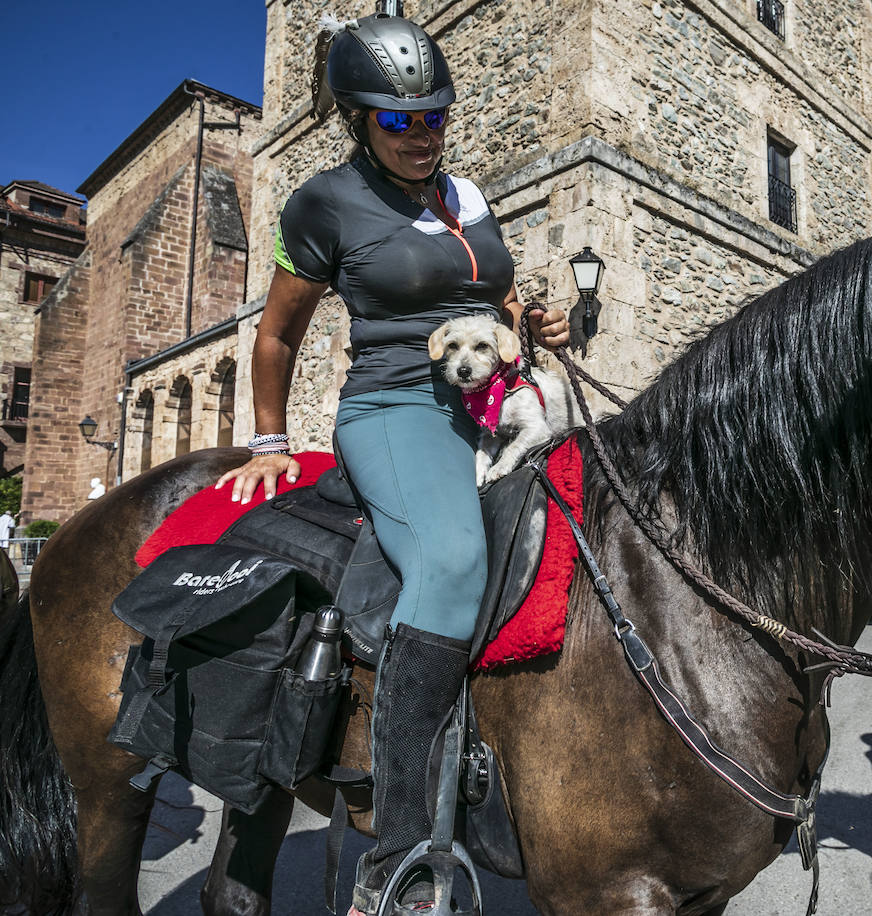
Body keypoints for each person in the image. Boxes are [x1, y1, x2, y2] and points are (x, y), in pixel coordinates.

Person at [215, 13, 569, 914]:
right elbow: (277, 333)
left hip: (497, 392)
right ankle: (399, 856)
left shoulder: (471, 195)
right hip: (398, 405)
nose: (421, 135)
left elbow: (500, 293)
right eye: (398, 120)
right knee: (451, 564)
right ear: (357, 121)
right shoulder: (323, 202)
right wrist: (267, 441)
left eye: (435, 117)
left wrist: (540, 325)